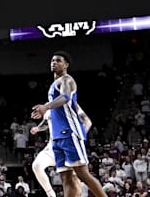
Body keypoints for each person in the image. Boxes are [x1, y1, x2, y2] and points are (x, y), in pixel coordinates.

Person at [30, 52, 108, 197]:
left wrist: (46, 107)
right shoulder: (53, 86)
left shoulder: (67, 80)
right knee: (65, 178)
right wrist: (42, 117)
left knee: (83, 175)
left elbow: (65, 97)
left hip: (69, 133)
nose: (54, 62)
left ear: (66, 65)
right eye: (52, 60)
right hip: (57, 138)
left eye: (58, 60)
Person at [29, 102, 92, 197]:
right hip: (52, 148)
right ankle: (51, 194)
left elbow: (87, 122)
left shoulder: (72, 104)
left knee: (74, 183)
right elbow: (46, 122)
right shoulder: (48, 106)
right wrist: (38, 128)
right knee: (37, 165)